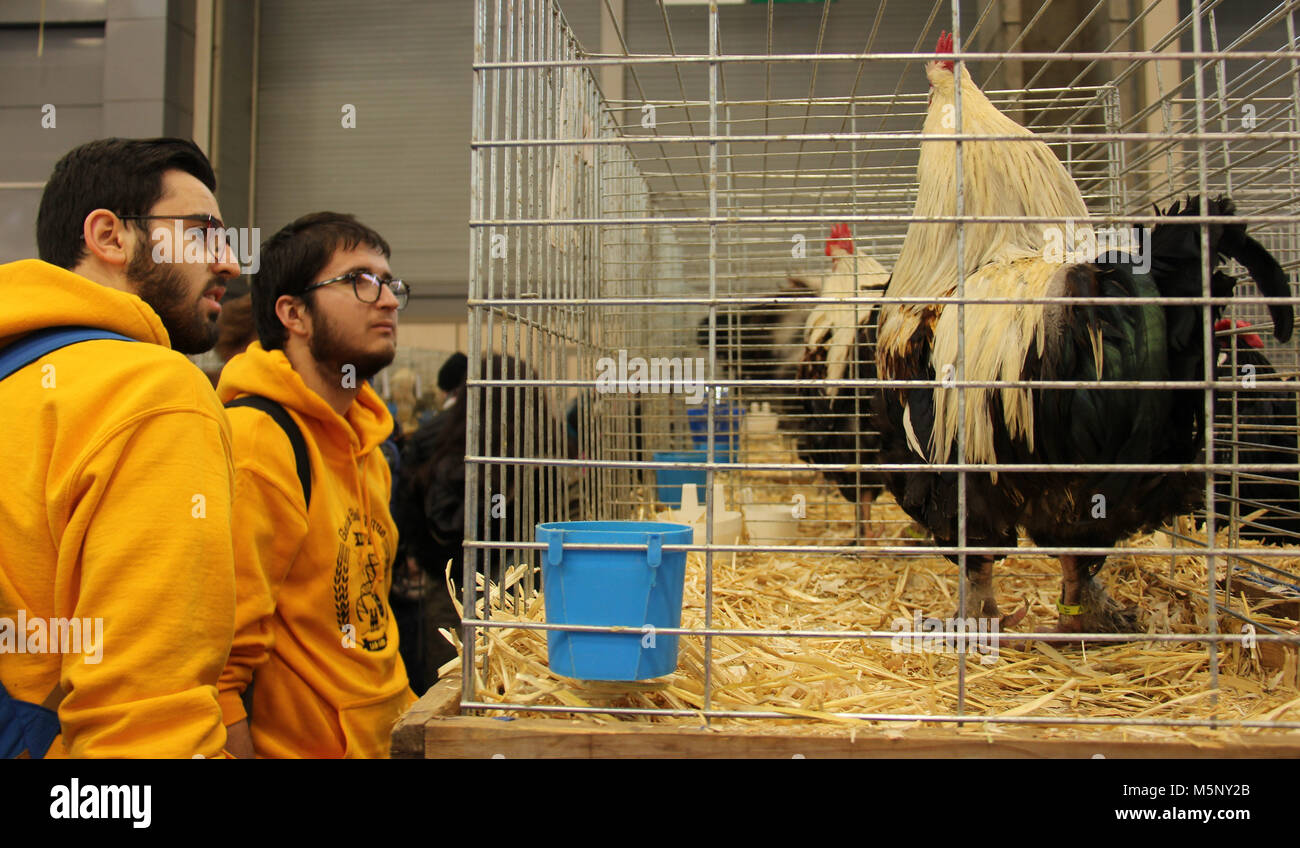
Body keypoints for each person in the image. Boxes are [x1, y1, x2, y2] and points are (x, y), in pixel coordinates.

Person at [0, 137, 240, 758]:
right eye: (205, 232)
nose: (232, 263)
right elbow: (147, 728)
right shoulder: (153, 392)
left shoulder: (19, 380)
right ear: (110, 237)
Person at [217, 211, 415, 758]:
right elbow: (215, 670)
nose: (388, 300)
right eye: (359, 281)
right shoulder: (258, 441)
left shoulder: (368, 447)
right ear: (294, 314)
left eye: (390, 283)